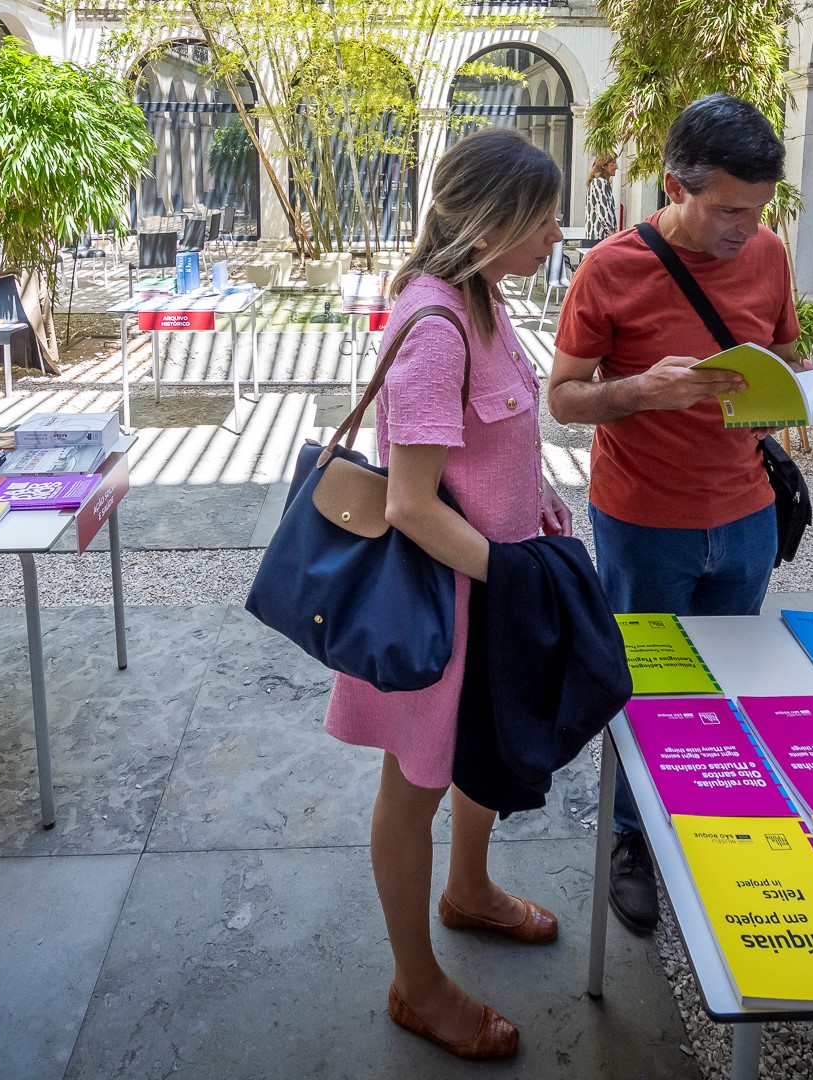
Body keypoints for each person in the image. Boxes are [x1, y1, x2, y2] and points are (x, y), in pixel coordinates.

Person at [322, 126, 571, 1061]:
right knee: (415, 784)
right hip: (446, 605)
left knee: (480, 753)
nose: (556, 234)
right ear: (493, 217)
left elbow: (496, 450)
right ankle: (416, 985)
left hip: (493, 589)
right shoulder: (432, 324)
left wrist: (540, 507)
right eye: (542, 218)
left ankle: (468, 891)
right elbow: (412, 504)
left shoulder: (487, 301)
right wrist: (512, 573)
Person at [548, 93, 803, 935]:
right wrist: (638, 391)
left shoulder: (769, 253)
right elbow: (563, 400)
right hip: (642, 518)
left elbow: (788, 351)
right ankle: (631, 839)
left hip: (747, 513)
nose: (746, 228)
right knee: (642, 687)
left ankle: (704, 820)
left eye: (758, 209)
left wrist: (787, 396)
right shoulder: (610, 269)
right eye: (729, 209)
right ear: (673, 186)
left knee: (725, 685)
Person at [585, 153, 619, 243]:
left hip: (597, 236)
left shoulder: (601, 182)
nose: (616, 167)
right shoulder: (600, 182)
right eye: (613, 164)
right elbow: (603, 208)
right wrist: (611, 231)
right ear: (604, 165)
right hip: (599, 236)